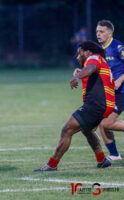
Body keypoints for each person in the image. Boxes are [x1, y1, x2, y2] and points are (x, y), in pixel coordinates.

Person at [35, 41, 115, 171]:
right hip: (104, 105)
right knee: (87, 130)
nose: (78, 56)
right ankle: (102, 160)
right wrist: (81, 71)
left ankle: (51, 165)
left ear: (87, 52)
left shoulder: (93, 57)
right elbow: (92, 72)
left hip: (97, 104)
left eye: (79, 53)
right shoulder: (98, 61)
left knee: (67, 129)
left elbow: (92, 68)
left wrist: (77, 76)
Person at [96, 20, 124, 161]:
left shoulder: (118, 47)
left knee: (106, 123)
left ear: (110, 33)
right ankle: (114, 155)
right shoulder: (99, 50)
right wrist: (81, 71)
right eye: (97, 31)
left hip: (122, 92)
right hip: (109, 93)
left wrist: (120, 80)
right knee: (103, 124)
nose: (98, 34)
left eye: (101, 31)